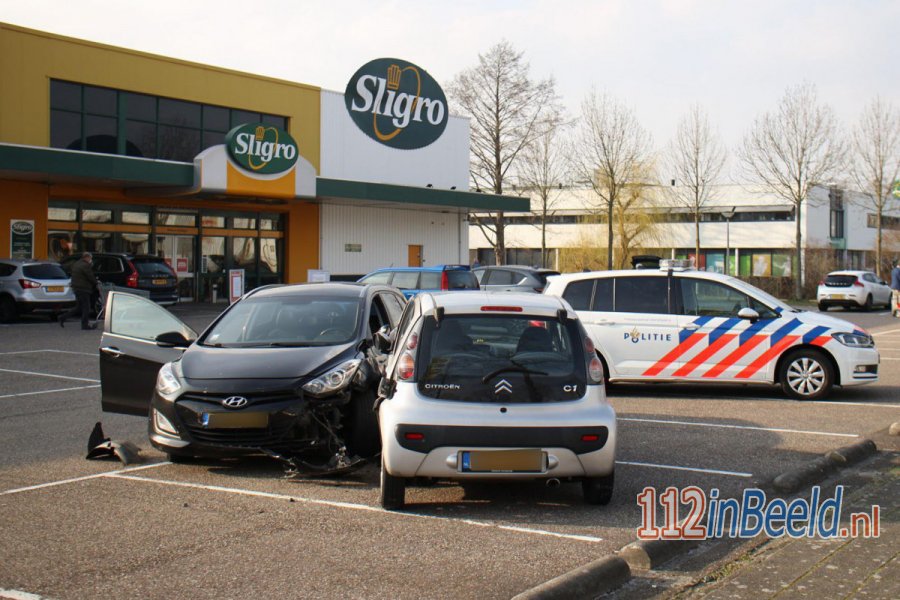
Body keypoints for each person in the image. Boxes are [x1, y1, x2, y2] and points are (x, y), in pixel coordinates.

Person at [59, 252, 98, 330]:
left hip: (77, 288)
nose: (91, 260)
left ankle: (63, 317)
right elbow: (90, 276)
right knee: (86, 307)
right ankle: (85, 325)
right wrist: (96, 282)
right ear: (87, 258)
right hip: (83, 288)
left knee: (79, 307)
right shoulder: (85, 266)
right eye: (90, 258)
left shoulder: (76, 264)